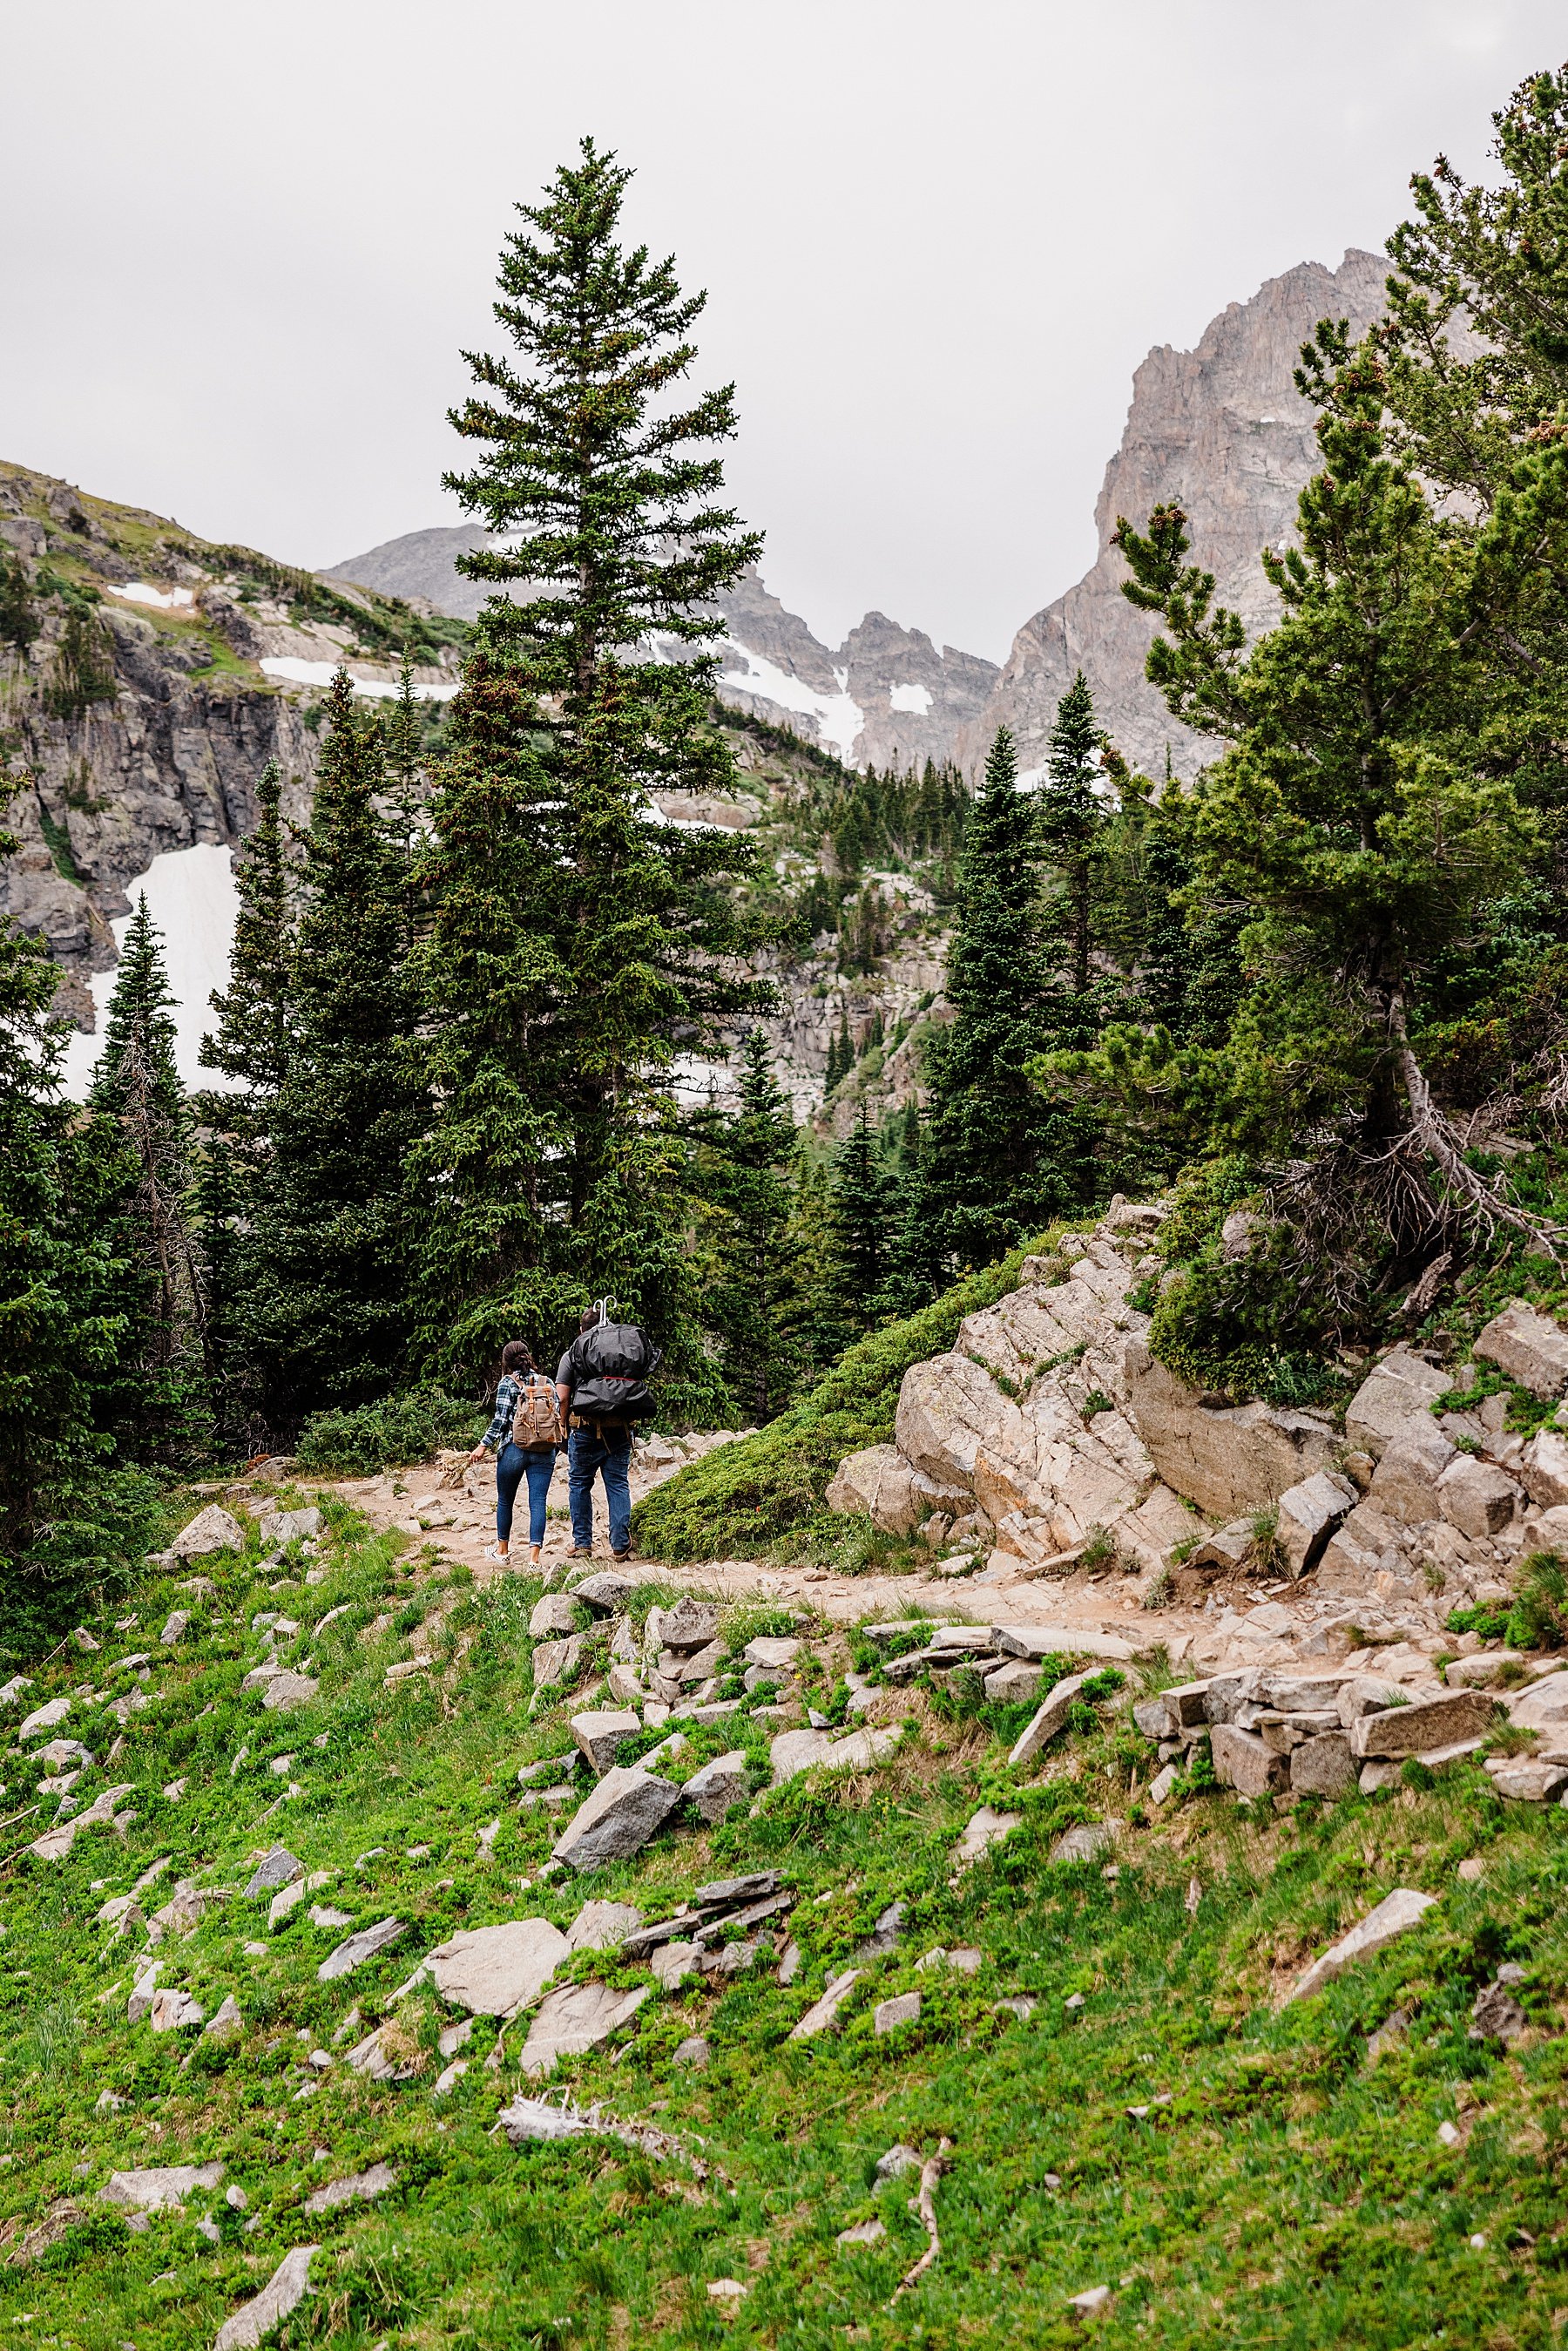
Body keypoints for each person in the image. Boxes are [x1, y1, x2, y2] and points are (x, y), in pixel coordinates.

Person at [556, 1304, 659, 1562]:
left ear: (582, 1330)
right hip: (620, 1430)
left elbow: (563, 1396)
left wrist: (561, 1426)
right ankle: (620, 1544)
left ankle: (582, 1544)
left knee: (579, 1484)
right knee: (617, 1484)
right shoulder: (620, 1351)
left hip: (584, 1429)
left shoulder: (573, 1352)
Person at [469, 1339, 561, 1568]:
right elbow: (556, 1413)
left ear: (506, 1361)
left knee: (505, 1500)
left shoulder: (507, 1383)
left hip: (514, 1449)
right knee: (538, 1502)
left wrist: (483, 1445)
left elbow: (500, 1421)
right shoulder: (546, 1382)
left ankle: (502, 1551)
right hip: (544, 1450)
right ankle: (534, 1560)